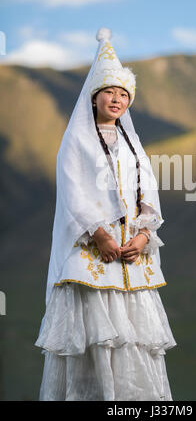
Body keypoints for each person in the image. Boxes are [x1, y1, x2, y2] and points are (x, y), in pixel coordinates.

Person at [34, 27, 177, 401]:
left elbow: (149, 190)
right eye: (109, 92)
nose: (117, 99)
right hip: (93, 251)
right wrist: (99, 234)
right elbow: (73, 189)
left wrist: (145, 234)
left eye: (123, 94)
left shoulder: (133, 145)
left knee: (134, 340)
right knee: (95, 336)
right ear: (94, 97)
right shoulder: (77, 140)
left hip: (131, 252)